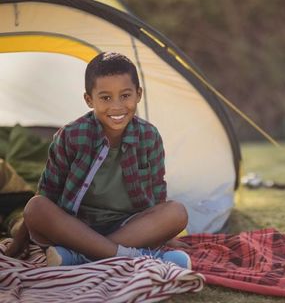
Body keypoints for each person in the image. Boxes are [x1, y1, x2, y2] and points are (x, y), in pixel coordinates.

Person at [5, 52, 191, 268]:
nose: (117, 106)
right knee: (35, 207)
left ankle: (81, 257)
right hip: (76, 227)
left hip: (128, 227)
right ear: (89, 100)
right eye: (105, 98)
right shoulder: (71, 136)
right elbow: (48, 192)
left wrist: (165, 234)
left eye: (125, 95)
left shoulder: (149, 137)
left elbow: (157, 191)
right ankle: (133, 257)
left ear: (138, 94)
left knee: (177, 212)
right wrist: (19, 242)